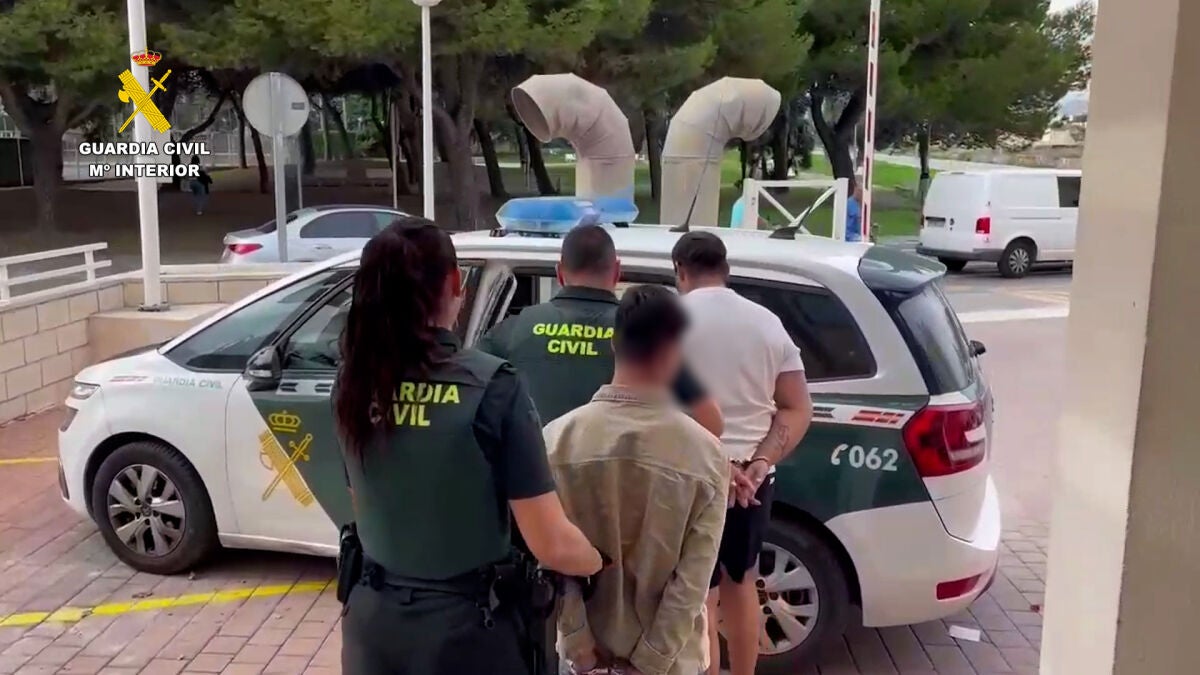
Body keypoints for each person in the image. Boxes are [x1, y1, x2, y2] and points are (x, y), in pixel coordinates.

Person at [333, 216, 605, 675]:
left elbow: (364, 504)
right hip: (468, 635)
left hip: (372, 627)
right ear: (454, 283)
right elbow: (551, 543)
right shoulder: (493, 387)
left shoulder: (353, 382)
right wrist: (599, 562)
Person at [544, 285, 729, 675]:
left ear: (614, 343)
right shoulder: (708, 454)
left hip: (584, 661)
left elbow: (554, 562)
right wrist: (650, 661)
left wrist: (580, 647)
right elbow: (692, 582)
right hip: (671, 663)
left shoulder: (555, 441)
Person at [671, 232, 814, 675]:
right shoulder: (767, 323)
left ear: (680, 272)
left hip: (690, 475)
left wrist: (720, 464)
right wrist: (760, 463)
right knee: (743, 580)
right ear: (725, 270)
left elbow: (656, 407)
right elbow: (797, 407)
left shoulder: (667, 321)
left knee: (700, 593)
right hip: (753, 483)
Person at [477, 223, 722, 435]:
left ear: (559, 273)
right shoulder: (645, 330)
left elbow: (470, 397)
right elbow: (710, 423)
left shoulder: (513, 330)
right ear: (617, 271)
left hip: (536, 472)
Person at [845, 177, 863, 242]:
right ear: (856, 190)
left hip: (857, 235)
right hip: (849, 236)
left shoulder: (859, 204)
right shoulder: (849, 203)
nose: (862, 194)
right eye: (860, 191)